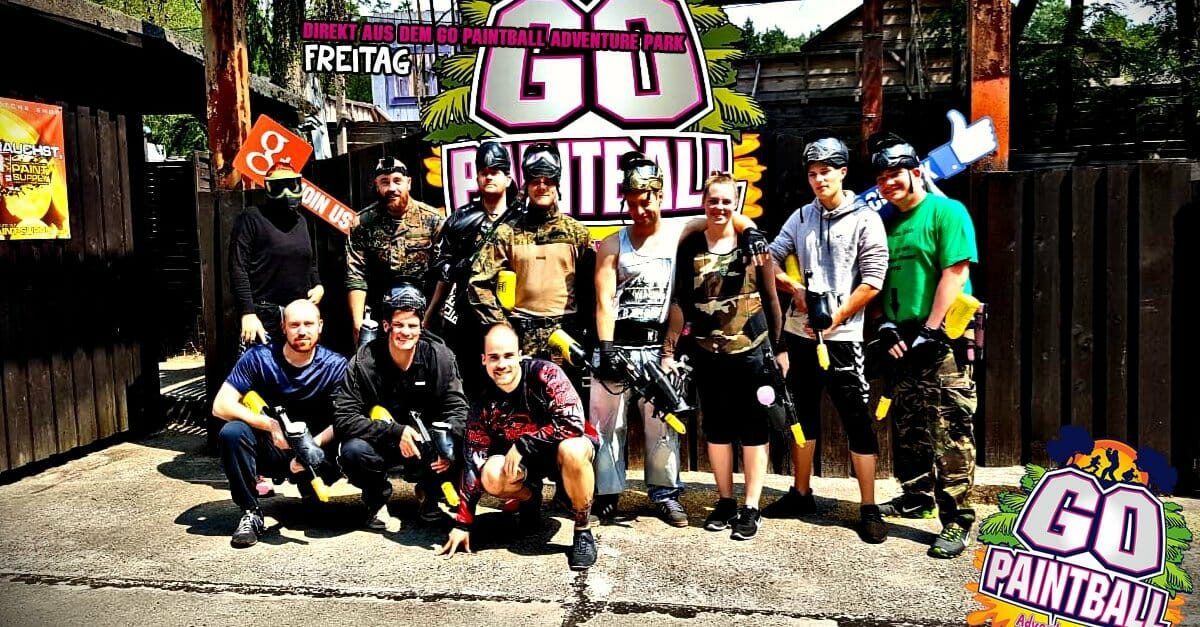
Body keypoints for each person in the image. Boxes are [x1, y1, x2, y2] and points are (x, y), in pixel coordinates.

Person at [759, 133, 890, 544]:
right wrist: (794, 288)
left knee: (857, 420)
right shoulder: (800, 216)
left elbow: (873, 280)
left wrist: (838, 316)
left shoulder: (866, 219)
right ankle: (801, 493)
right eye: (813, 173)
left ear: (843, 172)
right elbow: (768, 258)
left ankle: (868, 506)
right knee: (801, 417)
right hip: (800, 334)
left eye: (826, 172)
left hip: (844, 338)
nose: (818, 179)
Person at [867, 131, 980, 559]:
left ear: (916, 172)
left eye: (895, 174)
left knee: (949, 428)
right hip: (901, 337)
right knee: (909, 424)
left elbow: (956, 271)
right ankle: (916, 497)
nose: (888, 183)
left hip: (942, 338)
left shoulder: (946, 211)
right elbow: (877, 280)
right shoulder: (885, 224)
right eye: (881, 177)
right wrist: (886, 325)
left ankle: (957, 519)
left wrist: (932, 330)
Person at [661, 172, 785, 541]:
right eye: (713, 201)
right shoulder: (690, 245)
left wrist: (780, 349)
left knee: (754, 430)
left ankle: (751, 506)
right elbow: (680, 302)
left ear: (736, 204)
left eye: (726, 201)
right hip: (707, 355)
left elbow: (772, 299)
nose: (719, 207)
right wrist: (669, 349)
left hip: (751, 354)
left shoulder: (753, 246)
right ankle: (726, 501)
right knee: (716, 430)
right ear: (704, 204)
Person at [438, 324, 600, 570]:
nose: (501, 364)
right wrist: (463, 523)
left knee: (573, 450)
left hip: (563, 451)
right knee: (491, 474)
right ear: (484, 360)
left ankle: (582, 530)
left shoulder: (545, 373)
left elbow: (572, 423)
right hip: (522, 464)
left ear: (520, 355)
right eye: (494, 357)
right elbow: (473, 457)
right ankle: (530, 498)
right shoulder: (481, 398)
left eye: (508, 356)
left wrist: (524, 444)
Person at [212, 299, 347, 548]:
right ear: (283, 327)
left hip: (319, 450)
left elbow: (347, 417)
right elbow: (220, 406)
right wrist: (270, 425)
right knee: (232, 432)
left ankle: (316, 490)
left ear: (320, 326)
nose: (302, 331)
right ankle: (250, 512)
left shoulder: (336, 365)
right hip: (273, 447)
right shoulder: (258, 358)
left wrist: (310, 448)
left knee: (352, 442)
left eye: (309, 324)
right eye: (294, 325)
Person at [332, 285, 470, 530]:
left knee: (463, 441)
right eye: (399, 325)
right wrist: (396, 432)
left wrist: (446, 442)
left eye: (412, 325)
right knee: (353, 451)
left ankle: (430, 494)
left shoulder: (440, 357)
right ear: (386, 326)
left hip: (428, 442)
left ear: (421, 327)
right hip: (383, 440)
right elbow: (344, 417)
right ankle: (376, 499)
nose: (406, 332)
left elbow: (458, 408)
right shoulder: (364, 361)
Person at [467, 143, 594, 363]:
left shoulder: (577, 234)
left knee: (566, 388)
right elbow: (478, 284)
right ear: (527, 186)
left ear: (557, 184)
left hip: (566, 339)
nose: (542, 187)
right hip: (521, 339)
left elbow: (594, 290)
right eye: (535, 181)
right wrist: (503, 329)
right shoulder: (506, 233)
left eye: (548, 181)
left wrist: (588, 331)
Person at [425, 141, 522, 395]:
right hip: (469, 320)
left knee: (511, 388)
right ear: (477, 177)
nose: (489, 177)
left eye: (495, 171)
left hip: (513, 318)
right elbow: (441, 267)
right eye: (483, 172)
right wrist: (431, 313)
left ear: (508, 178)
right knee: (468, 387)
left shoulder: (523, 219)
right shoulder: (461, 219)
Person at [346, 157, 445, 348]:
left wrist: (429, 317)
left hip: (424, 311)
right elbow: (355, 276)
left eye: (397, 181)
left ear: (409, 183)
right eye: (385, 182)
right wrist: (358, 325)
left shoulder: (433, 220)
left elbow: (444, 274)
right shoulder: (363, 223)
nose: (392, 188)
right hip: (381, 312)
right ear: (376, 186)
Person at [229, 161, 324, 349]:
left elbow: (308, 261)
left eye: (291, 185)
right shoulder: (252, 218)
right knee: (262, 366)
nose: (286, 193)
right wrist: (248, 313)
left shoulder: (301, 221)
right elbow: (238, 268)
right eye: (279, 187)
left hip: (298, 315)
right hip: (264, 315)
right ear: (268, 188)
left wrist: (318, 285)